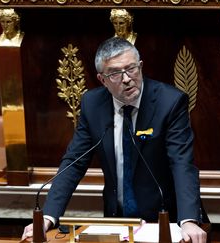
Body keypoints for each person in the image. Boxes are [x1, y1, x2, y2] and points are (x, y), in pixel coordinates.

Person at [22, 37, 207, 243]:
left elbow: (182, 163)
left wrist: (188, 219)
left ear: (141, 66)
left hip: (167, 222)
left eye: (131, 69)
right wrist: (47, 216)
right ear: (102, 79)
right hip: (118, 225)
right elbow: (73, 163)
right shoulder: (93, 105)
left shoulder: (170, 102)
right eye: (116, 74)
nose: (127, 78)